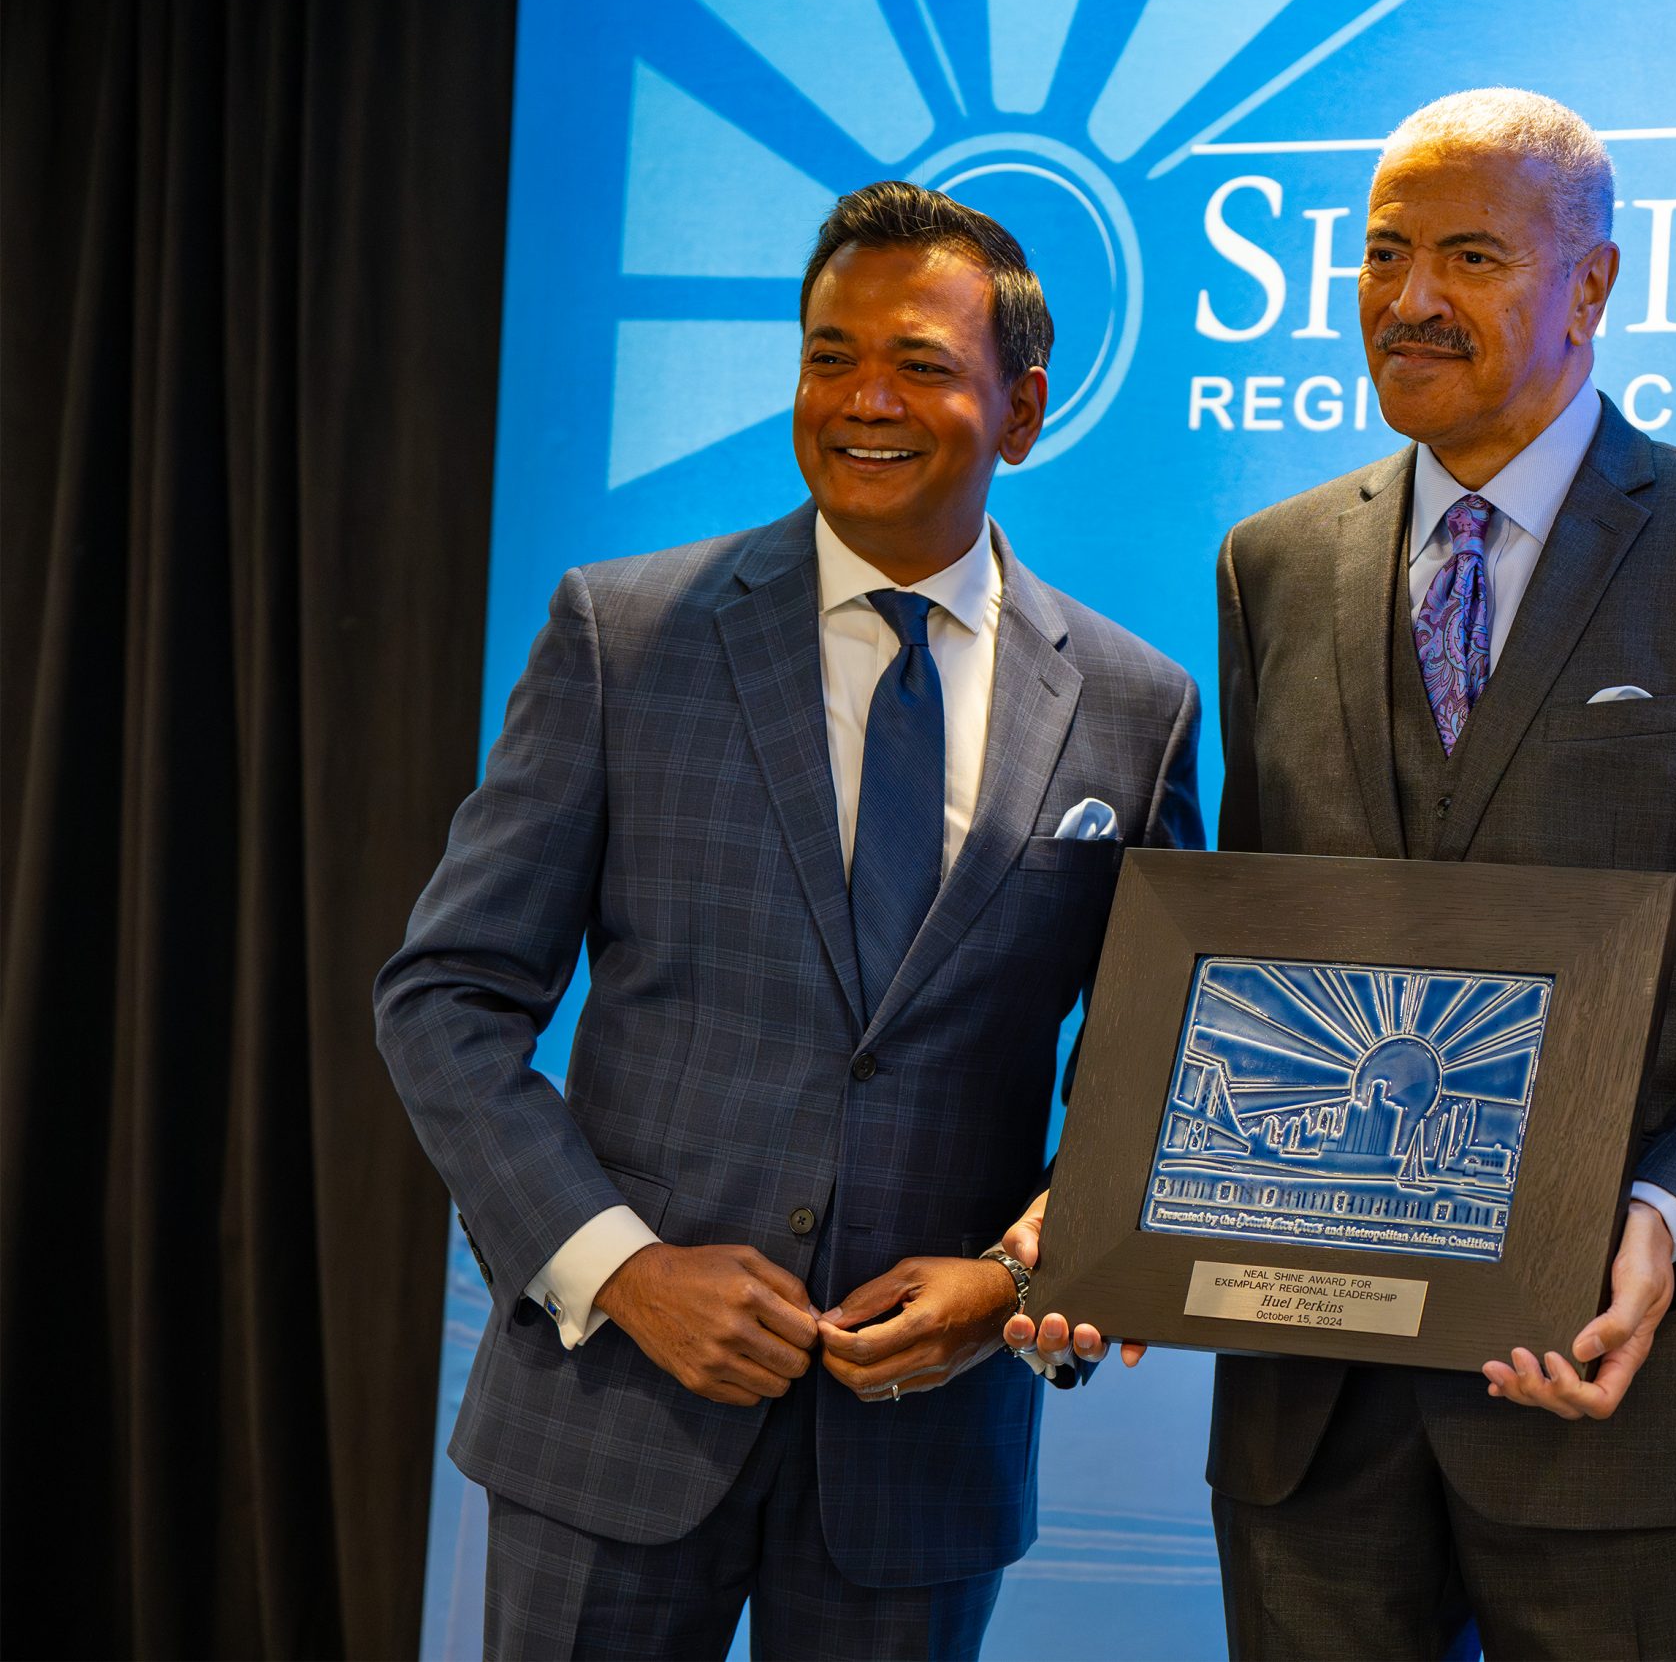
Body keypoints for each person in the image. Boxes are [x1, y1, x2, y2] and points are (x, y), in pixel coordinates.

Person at [375, 182, 1200, 1659]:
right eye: (830, 356)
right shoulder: (624, 636)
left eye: (921, 365)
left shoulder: (1136, 707)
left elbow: (1152, 1079)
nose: (864, 400)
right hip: (611, 1427)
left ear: (1021, 410)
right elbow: (444, 997)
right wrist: (621, 1268)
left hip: (921, 1461)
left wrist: (1014, 1278)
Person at [1190, 87, 1676, 1659]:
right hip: (1310, 1420)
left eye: (1470, 256)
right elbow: (1253, 962)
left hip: (1620, 1405)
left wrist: (1667, 1213)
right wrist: (1124, 1207)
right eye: (1382, 254)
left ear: (1592, 287)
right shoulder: (1272, 566)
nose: (1411, 299)